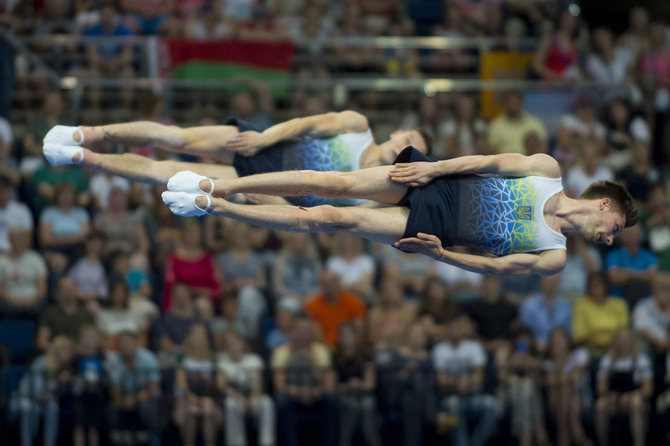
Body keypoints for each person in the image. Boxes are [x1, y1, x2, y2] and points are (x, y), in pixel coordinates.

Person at [161, 146, 637, 276]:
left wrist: (441, 255)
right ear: (604, 204)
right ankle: (217, 183)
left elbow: (497, 269)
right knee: (335, 182)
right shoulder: (547, 169)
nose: (609, 238)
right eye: (614, 228)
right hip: (439, 182)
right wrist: (434, 170)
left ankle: (213, 208)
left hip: (434, 228)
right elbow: (488, 160)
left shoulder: (554, 257)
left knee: (330, 217)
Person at [42, 110, 430, 207]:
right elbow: (304, 123)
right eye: (409, 138)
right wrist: (263, 136)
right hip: (258, 146)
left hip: (255, 182)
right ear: (397, 133)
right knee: (175, 136)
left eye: (414, 151)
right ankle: (91, 132)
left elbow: (312, 214)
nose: (405, 146)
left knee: (165, 171)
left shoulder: (368, 194)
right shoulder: (357, 125)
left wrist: (272, 200)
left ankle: (85, 157)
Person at [595, 328, 652, 446]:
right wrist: (612, 396)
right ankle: (603, 442)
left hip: (635, 396)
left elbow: (648, 390)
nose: (623, 342)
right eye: (620, 339)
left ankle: (639, 443)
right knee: (600, 405)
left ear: (632, 340)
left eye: (626, 339)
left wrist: (631, 395)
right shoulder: (607, 359)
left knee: (636, 402)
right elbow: (601, 388)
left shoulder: (641, 359)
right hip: (613, 397)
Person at [218, 330, 275, 446]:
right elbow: (222, 385)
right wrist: (240, 398)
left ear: (242, 343)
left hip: (253, 394)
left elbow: (258, 382)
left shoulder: (254, 359)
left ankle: (266, 442)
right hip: (234, 396)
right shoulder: (223, 361)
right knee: (231, 404)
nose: (231, 345)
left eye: (234, 342)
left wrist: (253, 397)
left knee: (267, 403)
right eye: (228, 343)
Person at [174, 324, 222, 446]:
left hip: (208, 396)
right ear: (189, 337)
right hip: (187, 396)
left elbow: (218, 384)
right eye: (195, 335)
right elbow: (181, 381)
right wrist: (190, 395)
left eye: (201, 335)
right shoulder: (182, 357)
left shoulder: (213, 358)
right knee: (191, 411)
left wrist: (207, 391)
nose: (198, 338)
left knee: (208, 410)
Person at [572, 272, 630, 359]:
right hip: (591, 348)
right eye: (593, 285)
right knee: (582, 355)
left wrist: (612, 345)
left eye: (599, 284)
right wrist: (602, 345)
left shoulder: (619, 304)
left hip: (617, 347)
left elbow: (623, 329)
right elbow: (580, 334)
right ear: (588, 287)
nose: (596, 287)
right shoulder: (581, 305)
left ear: (606, 285)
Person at [304, 270, 367, 348]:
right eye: (325, 283)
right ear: (321, 285)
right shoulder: (313, 306)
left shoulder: (353, 303)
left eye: (332, 282)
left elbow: (359, 330)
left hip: (349, 347)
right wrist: (328, 347)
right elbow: (315, 335)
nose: (329, 286)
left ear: (338, 283)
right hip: (324, 348)